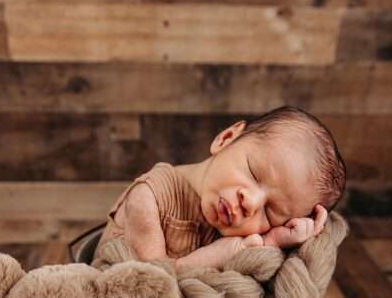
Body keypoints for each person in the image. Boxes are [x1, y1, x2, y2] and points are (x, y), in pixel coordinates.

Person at [96, 106, 346, 270]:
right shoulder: (148, 198)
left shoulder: (237, 234)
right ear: (226, 139)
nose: (251, 202)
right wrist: (225, 253)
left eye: (269, 214)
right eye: (253, 172)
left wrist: (273, 241)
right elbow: (156, 285)